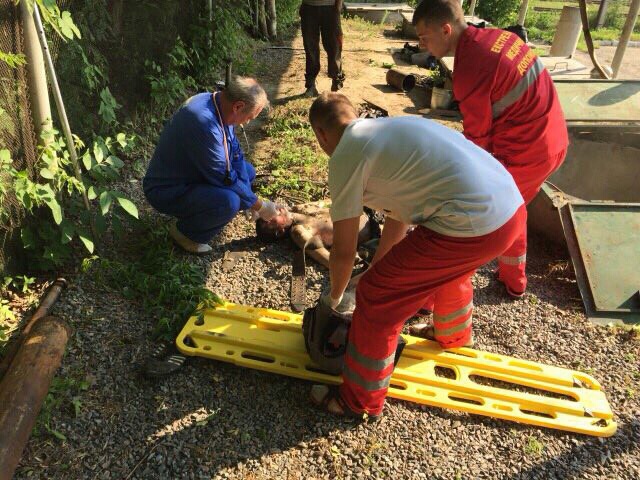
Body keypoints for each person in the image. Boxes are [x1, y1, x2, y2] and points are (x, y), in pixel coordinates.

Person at [306, 93, 526, 418]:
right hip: (510, 211)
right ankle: (452, 335)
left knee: (378, 297)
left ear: (320, 134)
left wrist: (335, 300)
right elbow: (401, 215)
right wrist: (376, 268)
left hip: (475, 222)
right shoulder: (388, 132)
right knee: (445, 268)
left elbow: (344, 250)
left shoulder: (346, 154)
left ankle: (357, 401)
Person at [412, 0, 568, 297]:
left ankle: (437, 294)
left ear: (446, 30)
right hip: (554, 141)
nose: (421, 44)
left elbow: (477, 148)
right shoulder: (500, 37)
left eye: (424, 37)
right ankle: (513, 280)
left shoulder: (470, 68)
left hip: (527, 154)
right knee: (513, 207)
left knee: (478, 218)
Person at [143, 76, 283, 254]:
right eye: (249, 117)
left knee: (247, 171)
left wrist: (249, 198)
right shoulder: (203, 121)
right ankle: (186, 234)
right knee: (229, 201)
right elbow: (225, 178)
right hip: (167, 188)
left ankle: (202, 214)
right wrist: (259, 205)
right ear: (238, 106)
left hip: (193, 173)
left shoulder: (220, 105)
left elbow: (236, 153)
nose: (246, 122)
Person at [300, 0, 346, 97]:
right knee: (310, 46)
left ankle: (336, 84)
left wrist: (338, 6)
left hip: (331, 7)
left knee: (334, 46)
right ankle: (311, 86)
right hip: (309, 6)